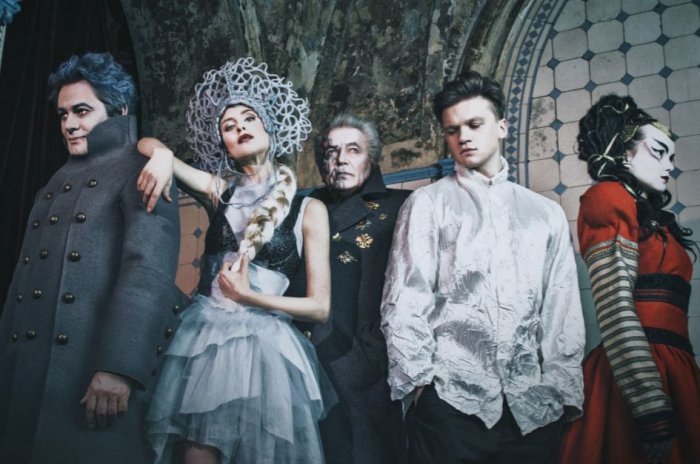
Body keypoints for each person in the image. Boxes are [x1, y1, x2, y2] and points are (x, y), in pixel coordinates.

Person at [380, 70, 585, 464]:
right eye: (452, 129)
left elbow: (562, 310)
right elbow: (404, 299)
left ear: (502, 127)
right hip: (450, 406)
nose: (463, 137)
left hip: (532, 409)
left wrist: (561, 392)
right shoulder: (427, 204)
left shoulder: (545, 214)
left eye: (474, 124)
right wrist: (421, 390)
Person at [136, 57, 333, 464]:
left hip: (269, 349)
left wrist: (250, 297)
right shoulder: (218, 191)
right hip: (206, 341)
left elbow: (320, 307)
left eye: (248, 118)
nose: (240, 127)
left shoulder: (308, 209)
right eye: (229, 125)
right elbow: (144, 142)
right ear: (223, 143)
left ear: (269, 128)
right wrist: (162, 156)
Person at [0, 52, 183, 464]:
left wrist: (119, 368)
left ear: (118, 110)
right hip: (24, 376)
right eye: (63, 114)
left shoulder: (144, 169)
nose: (69, 123)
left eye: (82, 111)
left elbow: (147, 272)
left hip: (88, 374)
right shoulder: (54, 181)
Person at [559, 94, 700, 464]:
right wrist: (649, 402)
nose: (669, 166)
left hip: (676, 366)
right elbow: (615, 306)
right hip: (637, 372)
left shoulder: (650, 217)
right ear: (623, 153)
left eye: (672, 157)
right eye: (658, 152)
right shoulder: (608, 197)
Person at [286, 113, 409, 463]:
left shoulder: (402, 205)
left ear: (373, 157)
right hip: (304, 362)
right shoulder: (301, 209)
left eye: (353, 150)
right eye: (331, 151)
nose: (340, 159)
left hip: (370, 365)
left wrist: (376, 350)